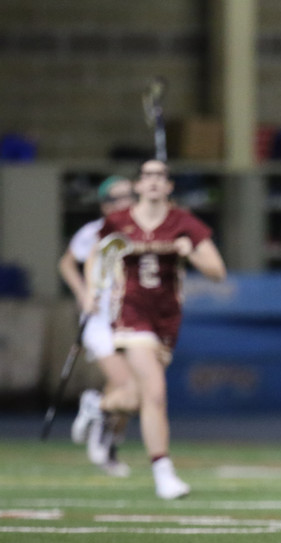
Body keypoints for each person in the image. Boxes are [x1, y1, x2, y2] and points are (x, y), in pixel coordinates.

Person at [86, 159, 227, 499]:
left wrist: (189, 252)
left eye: (159, 176)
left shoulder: (182, 222)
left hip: (166, 319)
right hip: (130, 315)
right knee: (156, 393)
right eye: (146, 175)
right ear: (138, 185)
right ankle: (163, 471)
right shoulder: (118, 221)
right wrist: (93, 289)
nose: (152, 181)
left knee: (136, 397)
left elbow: (217, 271)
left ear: (169, 186)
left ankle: (100, 406)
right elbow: (96, 256)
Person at [59, 175, 135, 475]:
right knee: (130, 384)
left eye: (130, 195)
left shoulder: (141, 232)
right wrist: (82, 293)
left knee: (125, 388)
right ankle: (96, 408)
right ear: (105, 205)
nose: (126, 202)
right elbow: (67, 263)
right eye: (118, 198)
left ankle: (108, 444)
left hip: (132, 320)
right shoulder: (92, 233)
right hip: (100, 321)